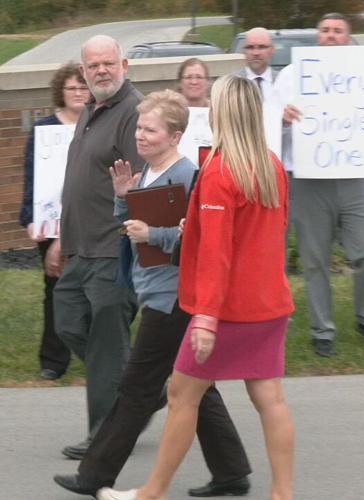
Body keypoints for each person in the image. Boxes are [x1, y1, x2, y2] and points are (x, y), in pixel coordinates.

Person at [97, 75, 294, 500]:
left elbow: (217, 252)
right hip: (269, 302)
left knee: (181, 394)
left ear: (222, 112)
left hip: (227, 309)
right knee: (269, 399)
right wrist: (195, 225)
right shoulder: (271, 164)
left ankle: (151, 492)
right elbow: (274, 230)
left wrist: (205, 317)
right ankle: (282, 494)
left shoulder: (219, 171)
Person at [53, 90, 252, 498]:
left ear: (175, 135)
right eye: (140, 128)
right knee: (197, 388)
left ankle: (95, 476)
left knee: (136, 388)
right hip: (154, 290)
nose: (141, 136)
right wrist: (123, 197)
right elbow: (132, 229)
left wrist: (153, 233)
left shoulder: (186, 176)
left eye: (151, 129)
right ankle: (232, 472)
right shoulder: (148, 173)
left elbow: (191, 238)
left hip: (175, 298)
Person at [276, 13, 364, 357]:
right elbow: (271, 132)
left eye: (337, 31)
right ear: (318, 37)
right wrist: (282, 120)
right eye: (325, 31)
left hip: (357, 178)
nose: (330, 36)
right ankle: (322, 329)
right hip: (309, 180)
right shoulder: (290, 76)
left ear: (348, 38)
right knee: (315, 259)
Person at [53, 35, 142, 460]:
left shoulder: (133, 112)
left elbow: (143, 181)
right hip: (82, 245)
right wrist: (61, 238)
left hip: (115, 247)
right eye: (93, 66)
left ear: (123, 64)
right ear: (84, 71)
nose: (101, 70)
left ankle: (106, 437)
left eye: (108, 63)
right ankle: (144, 389)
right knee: (67, 320)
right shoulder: (92, 108)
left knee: (107, 344)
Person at [18, 63, 90, 381]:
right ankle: (53, 360)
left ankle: (96, 354)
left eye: (83, 87)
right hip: (50, 222)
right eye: (72, 87)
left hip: (91, 222)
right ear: (61, 91)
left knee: (94, 290)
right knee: (56, 289)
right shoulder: (43, 129)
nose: (78, 93)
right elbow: (32, 176)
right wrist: (30, 220)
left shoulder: (97, 126)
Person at [237, 27, 277, 98]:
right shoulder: (232, 84)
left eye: (262, 47)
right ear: (243, 51)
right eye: (250, 47)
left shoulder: (284, 81)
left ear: (272, 50)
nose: (256, 53)